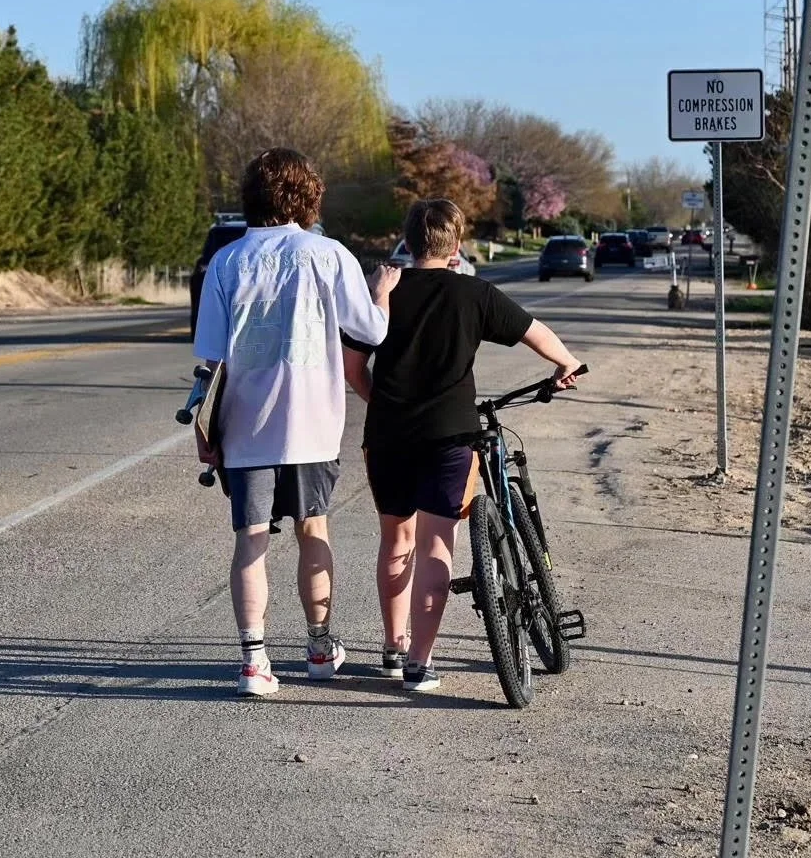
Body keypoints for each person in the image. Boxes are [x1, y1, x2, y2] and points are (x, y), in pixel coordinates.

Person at [343, 199, 583, 693]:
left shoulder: (382, 291)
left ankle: (393, 648)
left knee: (396, 541)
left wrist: (382, 404)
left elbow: (352, 368)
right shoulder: (474, 293)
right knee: (437, 544)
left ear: (407, 242)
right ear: (456, 245)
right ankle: (419, 664)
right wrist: (566, 364)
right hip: (451, 436)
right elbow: (534, 332)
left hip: (388, 437)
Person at [194, 148, 400, 697]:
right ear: (307, 196)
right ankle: (319, 647)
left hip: (245, 426)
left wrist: (203, 424)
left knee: (250, 541)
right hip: (311, 424)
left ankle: (254, 661)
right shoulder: (328, 255)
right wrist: (382, 294)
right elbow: (372, 332)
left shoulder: (226, 262)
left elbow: (212, 356)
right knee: (314, 532)